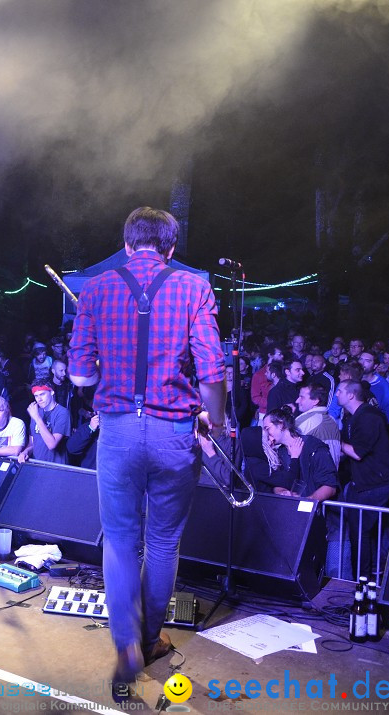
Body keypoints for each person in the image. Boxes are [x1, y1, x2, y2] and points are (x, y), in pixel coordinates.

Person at [68, 207, 225, 701]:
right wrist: (213, 418)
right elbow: (212, 372)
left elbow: (79, 377)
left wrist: (106, 370)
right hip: (174, 433)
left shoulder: (94, 288)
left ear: (127, 241)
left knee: (119, 542)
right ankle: (151, 636)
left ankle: (124, 644)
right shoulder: (194, 287)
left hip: (116, 433)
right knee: (162, 544)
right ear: (171, 246)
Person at [335, 379, 389, 581]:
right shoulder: (354, 417)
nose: (336, 395)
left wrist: (336, 443)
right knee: (364, 531)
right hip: (363, 482)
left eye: (339, 391)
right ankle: (368, 578)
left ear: (351, 395)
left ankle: (362, 582)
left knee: (361, 533)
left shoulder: (369, 417)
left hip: (374, 484)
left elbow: (358, 452)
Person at [18, 382, 70, 464]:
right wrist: (25, 452)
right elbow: (32, 443)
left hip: (55, 465)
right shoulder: (36, 412)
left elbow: (52, 445)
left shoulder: (62, 413)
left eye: (42, 394)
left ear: (52, 392)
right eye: (36, 396)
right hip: (37, 463)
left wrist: (37, 418)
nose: (39, 399)